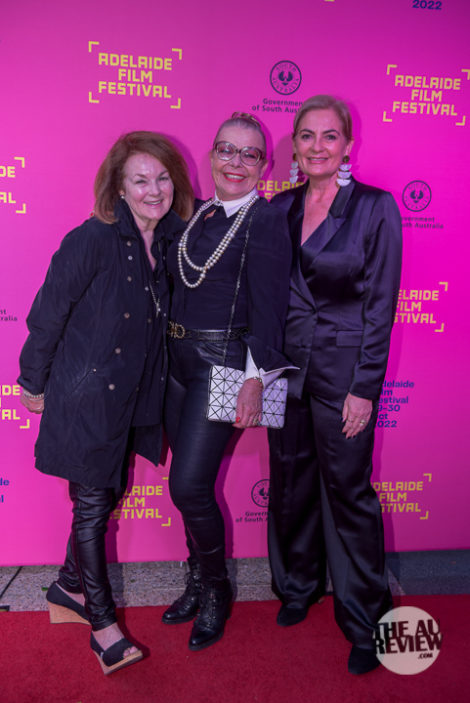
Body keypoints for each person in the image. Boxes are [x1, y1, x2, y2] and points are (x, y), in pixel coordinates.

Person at [18, 131, 194, 675]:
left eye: (162, 178)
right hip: (88, 395)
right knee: (93, 507)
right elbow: (47, 315)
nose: (154, 190)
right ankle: (102, 625)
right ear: (118, 186)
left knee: (109, 493)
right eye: (140, 180)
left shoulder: (171, 240)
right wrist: (32, 382)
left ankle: (69, 585)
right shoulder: (90, 239)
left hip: (135, 396)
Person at [267, 95, 402, 675]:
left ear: (347, 144)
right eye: (306, 135)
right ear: (294, 146)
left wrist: (364, 387)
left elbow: (381, 304)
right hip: (284, 371)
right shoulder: (280, 207)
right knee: (290, 483)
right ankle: (298, 586)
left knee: (348, 493)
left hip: (344, 374)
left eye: (329, 136)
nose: (317, 146)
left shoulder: (374, 208)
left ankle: (366, 619)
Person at [162, 113, 292, 651]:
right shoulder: (194, 212)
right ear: (211, 154)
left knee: (189, 486)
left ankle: (216, 588)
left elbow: (272, 305)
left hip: (224, 363)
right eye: (226, 150)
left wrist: (256, 379)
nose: (236, 163)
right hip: (175, 362)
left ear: (265, 165)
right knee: (186, 482)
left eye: (249, 154)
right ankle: (196, 578)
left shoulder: (266, 220)